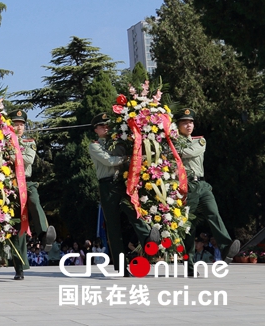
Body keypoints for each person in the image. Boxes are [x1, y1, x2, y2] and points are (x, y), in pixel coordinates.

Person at [88, 114, 160, 275]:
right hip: (107, 185)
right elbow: (109, 161)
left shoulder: (120, 141)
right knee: (113, 227)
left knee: (134, 212)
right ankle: (121, 266)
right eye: (101, 126)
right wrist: (127, 158)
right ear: (96, 130)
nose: (105, 128)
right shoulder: (94, 146)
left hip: (123, 182)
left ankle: (149, 241)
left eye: (107, 125)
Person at [174, 109, 241, 264]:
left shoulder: (199, 141)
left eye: (190, 122)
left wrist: (173, 150)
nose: (188, 125)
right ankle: (189, 264)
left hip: (201, 184)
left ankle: (225, 247)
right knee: (188, 227)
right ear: (178, 125)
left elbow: (187, 152)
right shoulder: (172, 143)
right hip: (185, 186)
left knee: (213, 212)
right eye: (184, 122)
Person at [8, 110, 56, 280]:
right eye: (15, 123)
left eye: (21, 124)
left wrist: (10, 153)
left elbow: (28, 160)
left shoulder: (29, 142)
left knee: (35, 201)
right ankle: (19, 267)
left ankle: (44, 234)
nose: (18, 127)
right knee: (16, 226)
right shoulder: (2, 142)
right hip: (8, 185)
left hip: (26, 181)